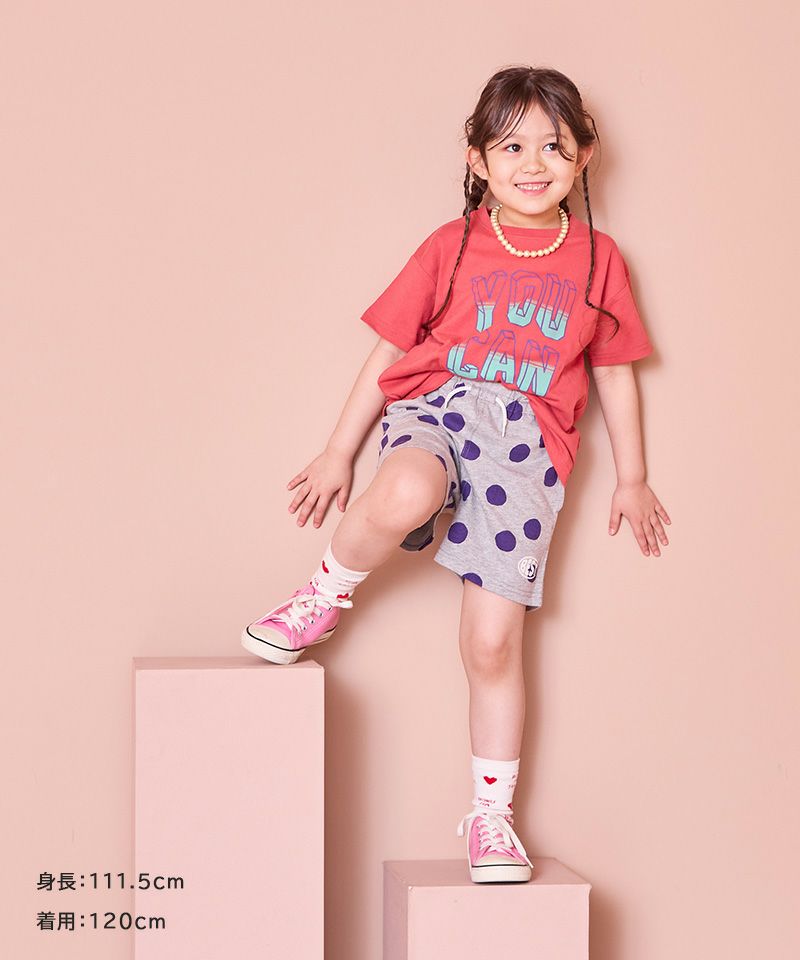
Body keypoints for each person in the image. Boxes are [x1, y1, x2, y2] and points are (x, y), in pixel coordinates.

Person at [241, 65, 672, 884]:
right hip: (439, 410)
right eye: (511, 146)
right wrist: (337, 451)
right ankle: (323, 596)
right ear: (477, 158)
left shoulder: (600, 260)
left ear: (583, 156)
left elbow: (615, 372)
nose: (533, 163)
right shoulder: (454, 244)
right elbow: (390, 349)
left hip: (528, 449)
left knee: (492, 643)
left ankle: (491, 818)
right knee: (406, 489)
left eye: (554, 146)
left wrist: (633, 476)